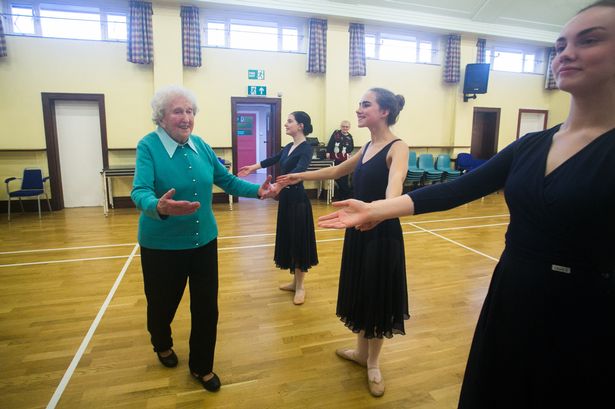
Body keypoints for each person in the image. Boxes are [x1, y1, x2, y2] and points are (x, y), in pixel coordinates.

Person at [318, 2, 615, 407]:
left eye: (590, 40)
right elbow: (457, 189)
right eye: (560, 44)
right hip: (515, 292)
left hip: (589, 310)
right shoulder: (530, 145)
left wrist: (380, 208)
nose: (565, 53)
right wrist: (375, 211)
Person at [131, 85, 279, 392]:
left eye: (190, 111)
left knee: (206, 307)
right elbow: (139, 190)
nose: (186, 118)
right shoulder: (148, 146)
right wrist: (157, 205)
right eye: (177, 111)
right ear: (161, 117)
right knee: (162, 304)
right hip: (162, 245)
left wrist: (258, 191)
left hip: (204, 241)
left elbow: (225, 180)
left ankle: (201, 366)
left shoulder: (201, 145)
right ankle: (161, 343)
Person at [277, 89, 410, 397]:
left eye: (366, 105)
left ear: (385, 111)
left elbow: (396, 184)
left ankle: (373, 362)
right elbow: (338, 170)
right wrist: (301, 177)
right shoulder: (367, 147)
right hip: (357, 227)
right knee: (361, 289)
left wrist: (381, 212)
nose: (359, 109)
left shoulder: (398, 147)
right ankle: (361, 353)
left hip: (380, 231)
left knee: (376, 294)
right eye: (360, 104)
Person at [238, 111, 318, 305]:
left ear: (300, 126)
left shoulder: (306, 148)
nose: (286, 124)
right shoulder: (289, 146)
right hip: (286, 201)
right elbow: (273, 159)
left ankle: (300, 286)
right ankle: (294, 282)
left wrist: (279, 186)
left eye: (290, 121)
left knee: (298, 242)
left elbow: (299, 170)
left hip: (298, 200)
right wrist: (252, 167)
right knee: (289, 239)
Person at [326, 120, 354, 199]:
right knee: (336, 176)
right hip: (335, 158)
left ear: (349, 128)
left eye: (347, 127)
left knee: (344, 177)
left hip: (345, 159)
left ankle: (343, 196)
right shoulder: (336, 133)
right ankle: (347, 194)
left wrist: (349, 154)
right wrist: (328, 151)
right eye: (343, 126)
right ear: (341, 127)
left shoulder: (350, 136)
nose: (345, 128)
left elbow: (351, 147)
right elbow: (331, 143)